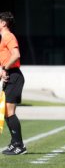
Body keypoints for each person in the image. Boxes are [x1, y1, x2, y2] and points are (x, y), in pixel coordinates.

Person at [0, 12, 26, 155]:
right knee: (5, 112)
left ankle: (19, 145)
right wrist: (3, 72)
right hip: (10, 75)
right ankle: (14, 142)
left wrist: (5, 68)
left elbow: (16, 55)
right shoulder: (3, 38)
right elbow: (5, 61)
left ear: (3, 23)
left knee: (10, 112)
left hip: (15, 76)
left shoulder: (8, 36)